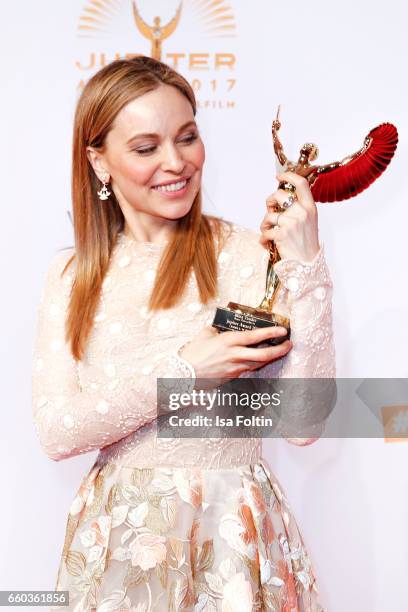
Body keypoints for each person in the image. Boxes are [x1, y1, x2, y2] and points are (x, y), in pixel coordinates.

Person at [31, 55, 335, 611]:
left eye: (187, 137)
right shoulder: (72, 278)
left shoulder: (249, 256)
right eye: (146, 148)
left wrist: (308, 268)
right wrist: (188, 369)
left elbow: (303, 424)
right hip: (123, 542)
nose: (175, 163)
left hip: (233, 541)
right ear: (99, 162)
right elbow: (57, 432)